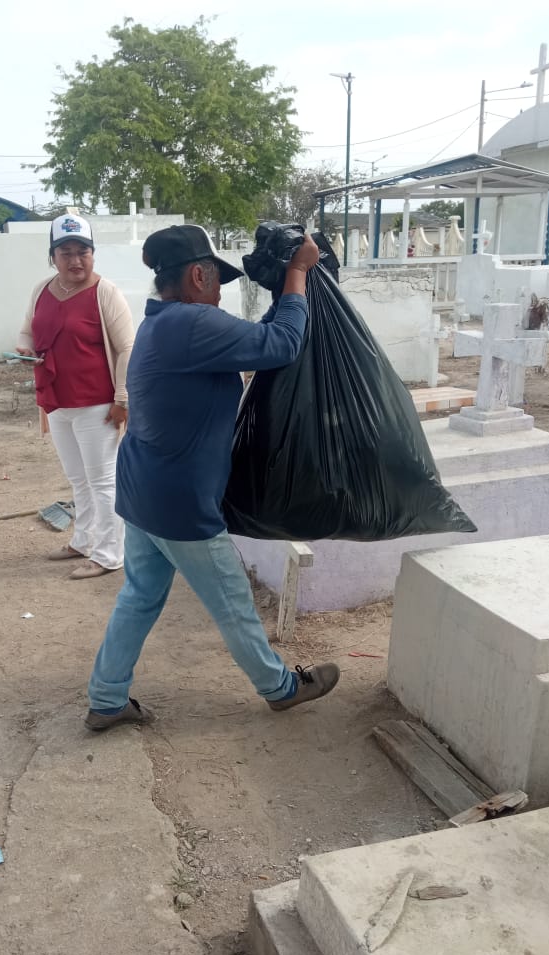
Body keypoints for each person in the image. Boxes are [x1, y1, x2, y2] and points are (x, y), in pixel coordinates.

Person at [85, 224, 340, 731]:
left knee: (139, 597)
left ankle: (106, 698)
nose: (220, 291)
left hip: (143, 491)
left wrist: (286, 295)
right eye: (216, 280)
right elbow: (283, 344)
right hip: (180, 504)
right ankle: (281, 688)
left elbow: (258, 341)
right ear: (198, 276)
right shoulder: (192, 324)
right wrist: (297, 273)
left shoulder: (164, 323)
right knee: (232, 601)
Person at [18, 214, 134, 579]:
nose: (75, 260)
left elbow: (128, 348)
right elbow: (27, 332)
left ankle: (109, 554)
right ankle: (84, 541)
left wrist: (122, 398)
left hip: (97, 404)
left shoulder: (105, 293)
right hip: (56, 401)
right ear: (52, 256)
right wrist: (24, 349)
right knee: (78, 479)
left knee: (103, 481)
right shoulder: (41, 290)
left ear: (93, 254)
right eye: (65, 252)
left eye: (82, 251)